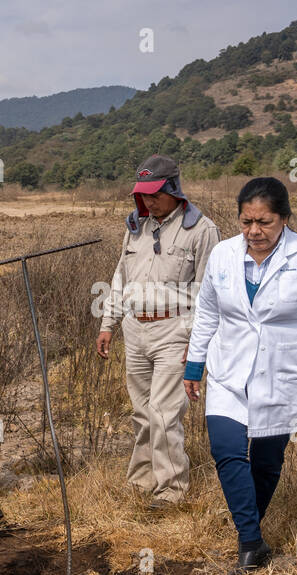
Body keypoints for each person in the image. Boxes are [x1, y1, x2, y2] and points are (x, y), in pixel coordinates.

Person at [185, 177, 297, 575]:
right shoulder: (222, 255)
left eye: (265, 222)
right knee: (226, 450)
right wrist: (194, 363)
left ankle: (247, 528)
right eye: (246, 222)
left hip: (284, 374)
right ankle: (251, 542)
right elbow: (207, 312)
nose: (254, 231)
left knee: (268, 461)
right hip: (228, 370)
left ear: (284, 219)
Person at [97, 155, 220, 509]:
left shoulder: (201, 230)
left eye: (155, 195)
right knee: (141, 411)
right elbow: (120, 279)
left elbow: (207, 292)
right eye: (143, 195)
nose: (148, 202)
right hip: (135, 329)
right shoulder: (136, 227)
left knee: (165, 413)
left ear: (173, 189)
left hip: (175, 330)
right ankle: (142, 480)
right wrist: (109, 324)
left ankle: (171, 490)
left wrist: (197, 342)